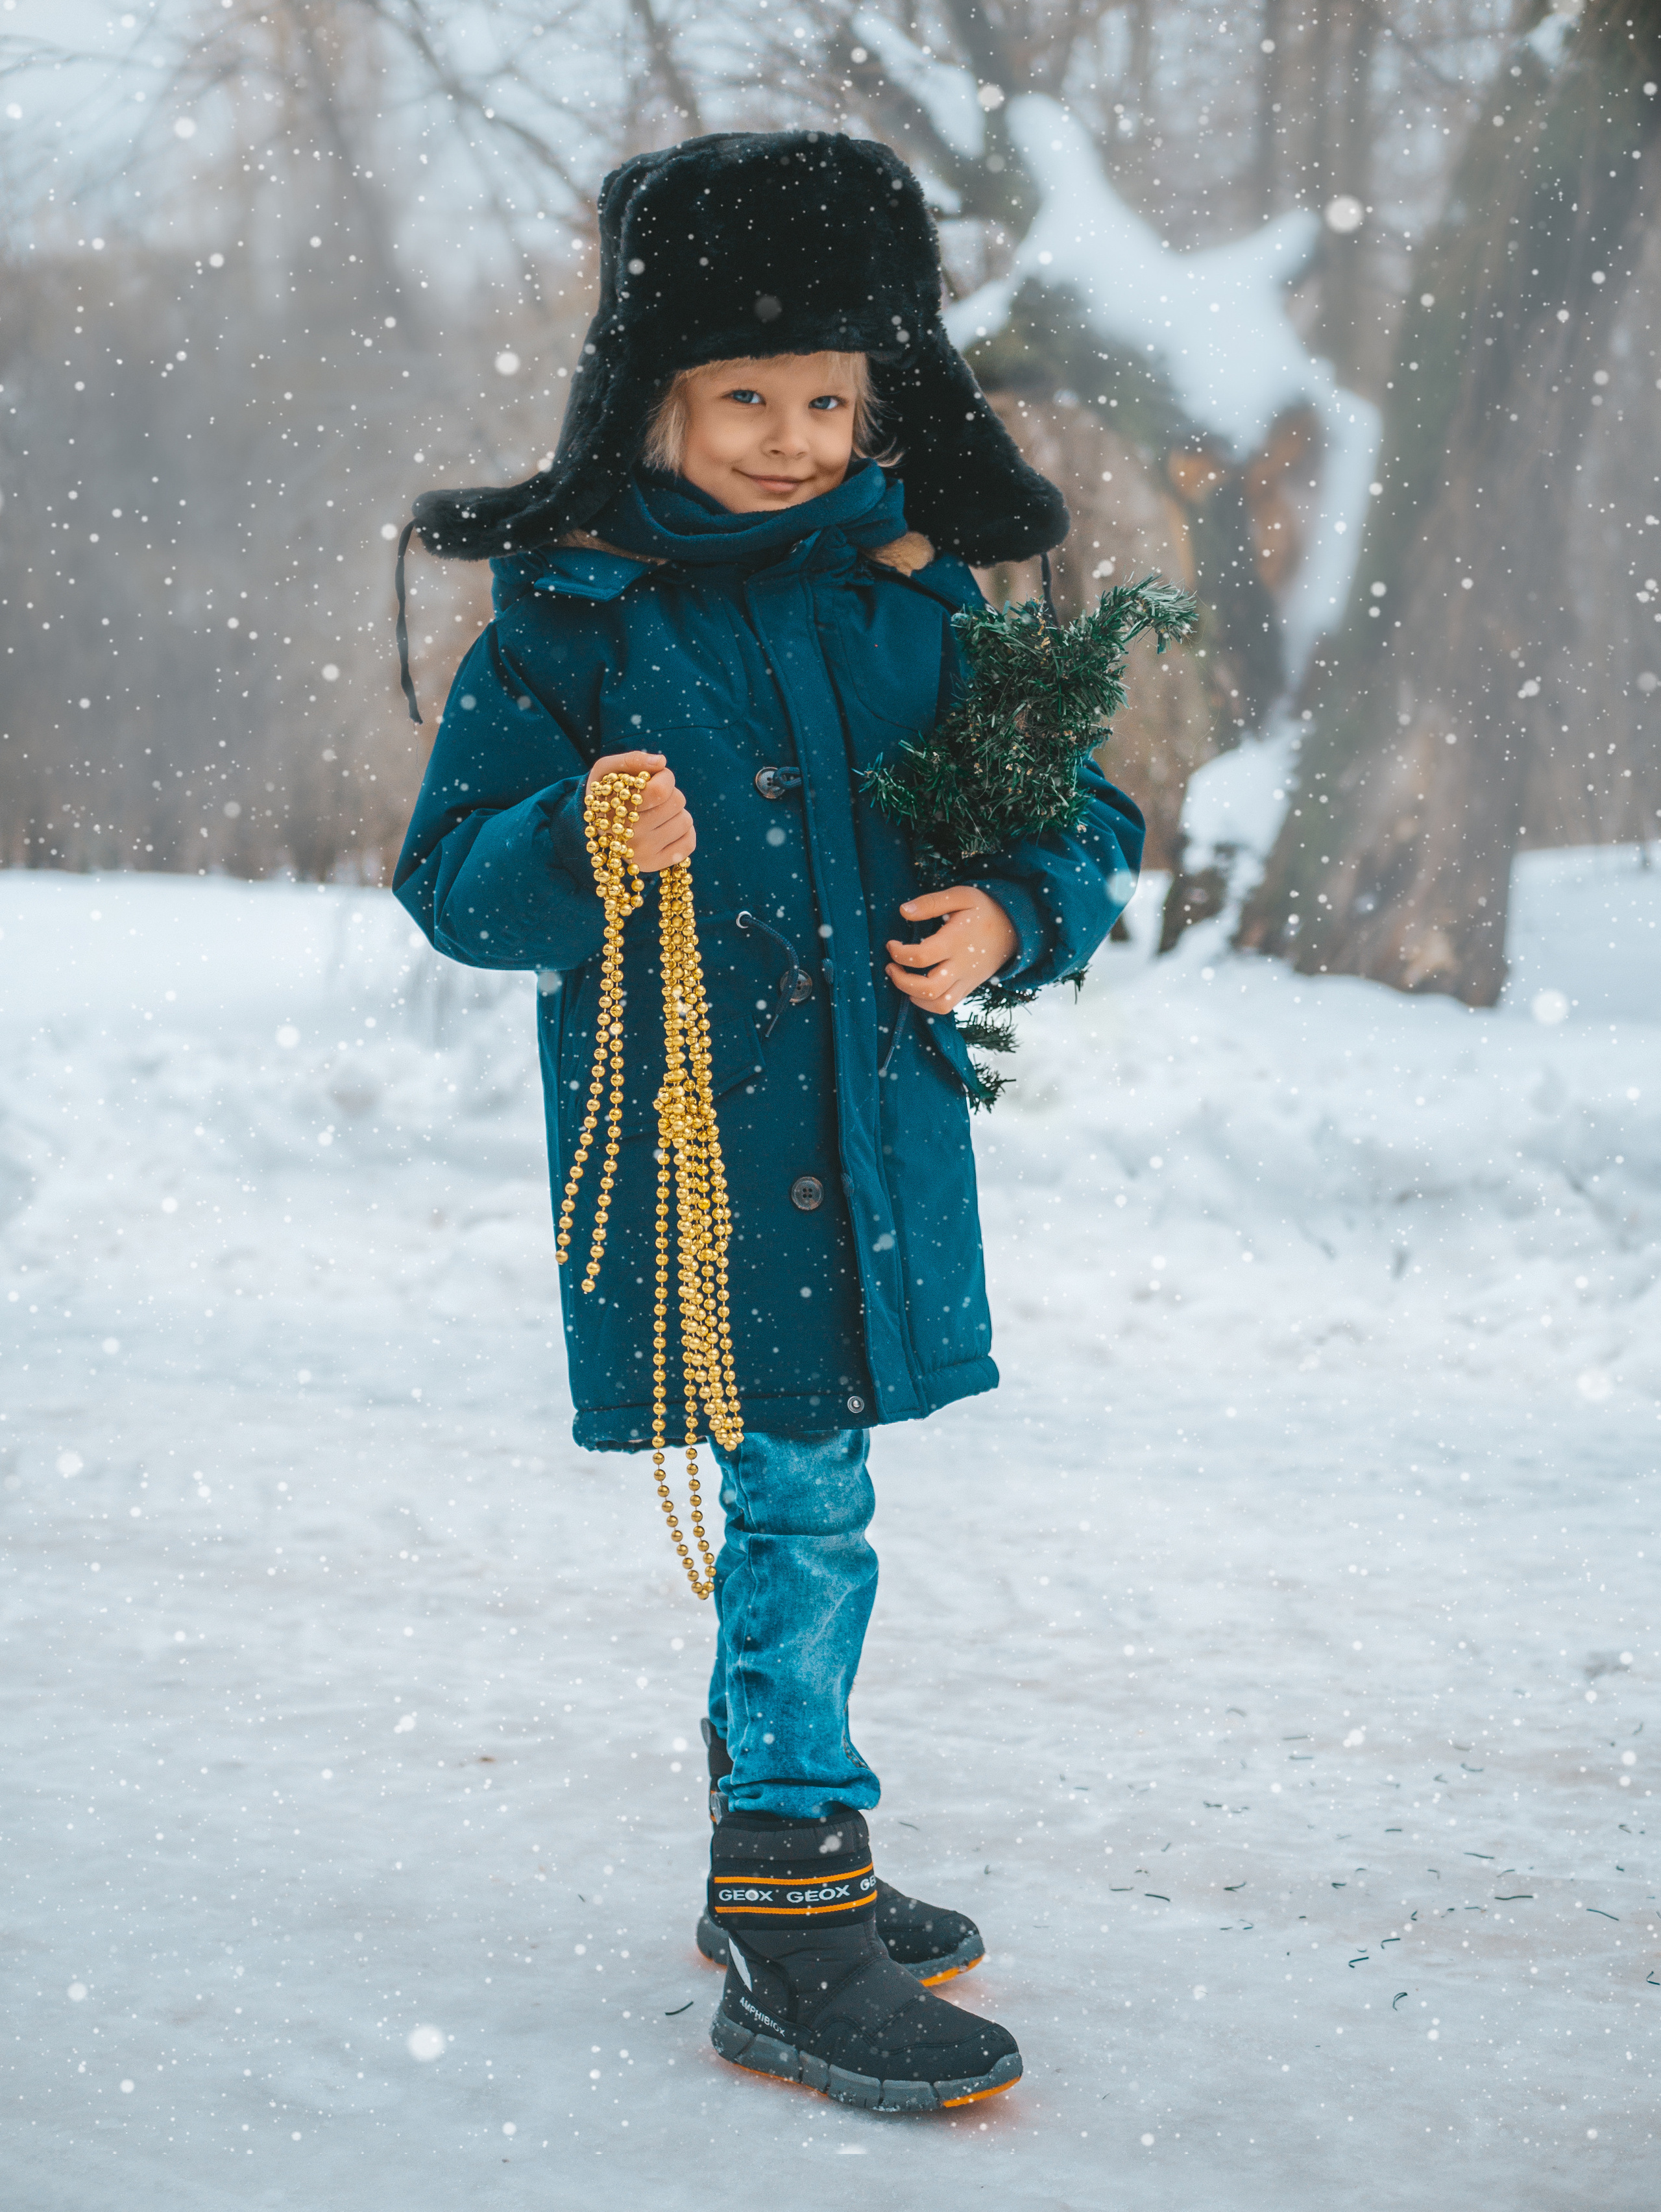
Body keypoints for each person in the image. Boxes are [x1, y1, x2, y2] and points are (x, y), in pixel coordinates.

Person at [393, 130, 1143, 2115]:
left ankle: (779, 1844)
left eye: (830, 399)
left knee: (810, 1500)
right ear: (653, 401)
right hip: (694, 1161)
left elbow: (1079, 809)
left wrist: (1017, 907)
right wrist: (576, 837)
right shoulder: (572, 630)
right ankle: (791, 1904)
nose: (797, 439)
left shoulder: (912, 611)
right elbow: (452, 880)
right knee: (806, 1506)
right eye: (746, 399)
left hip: (873, 1148)